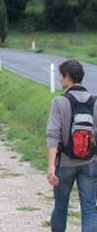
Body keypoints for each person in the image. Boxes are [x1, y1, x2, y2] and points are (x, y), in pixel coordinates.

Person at [47, 59, 97, 231]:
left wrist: (51, 167)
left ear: (69, 77)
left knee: (61, 206)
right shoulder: (94, 101)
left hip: (65, 164)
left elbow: (53, 135)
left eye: (61, 76)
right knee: (90, 207)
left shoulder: (59, 102)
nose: (60, 79)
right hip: (89, 164)